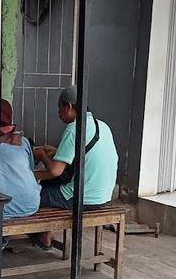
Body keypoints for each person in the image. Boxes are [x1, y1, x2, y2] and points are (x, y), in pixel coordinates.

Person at [32, 85, 118, 250]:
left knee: (34, 195)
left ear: (69, 107)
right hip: (104, 195)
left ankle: (44, 236)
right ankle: (45, 233)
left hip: (82, 198)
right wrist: (58, 151)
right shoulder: (102, 126)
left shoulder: (73, 129)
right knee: (49, 186)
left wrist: (42, 155)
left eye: (60, 108)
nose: (58, 113)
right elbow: (85, 153)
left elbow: (55, 171)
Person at [0, 99, 41, 228]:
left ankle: (2, 240)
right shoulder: (23, 142)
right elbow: (31, 171)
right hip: (32, 204)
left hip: (5, 208)